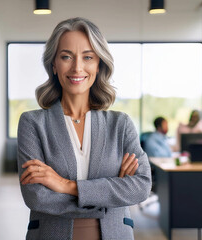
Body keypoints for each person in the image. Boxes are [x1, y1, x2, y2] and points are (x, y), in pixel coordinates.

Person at [17, 17, 151, 240]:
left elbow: (141, 186)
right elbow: (37, 197)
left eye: (87, 57)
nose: (77, 67)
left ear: (98, 65)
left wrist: (65, 185)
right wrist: (110, 193)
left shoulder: (121, 124)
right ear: (54, 65)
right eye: (66, 56)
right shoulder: (32, 123)